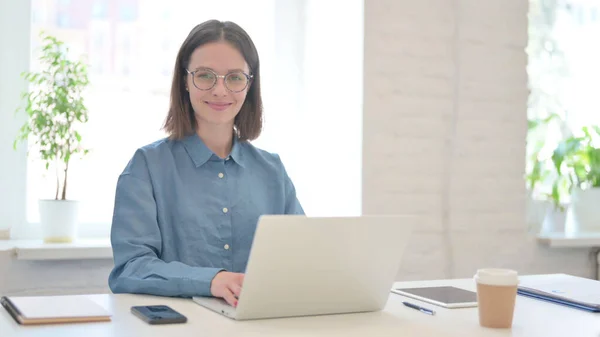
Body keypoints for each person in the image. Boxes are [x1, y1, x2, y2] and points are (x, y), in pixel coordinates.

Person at [108, 20, 304, 308]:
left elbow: (304, 258)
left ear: (250, 85)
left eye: (235, 77)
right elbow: (130, 268)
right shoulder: (147, 167)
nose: (220, 90)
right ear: (185, 81)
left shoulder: (272, 171)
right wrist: (212, 280)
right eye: (205, 76)